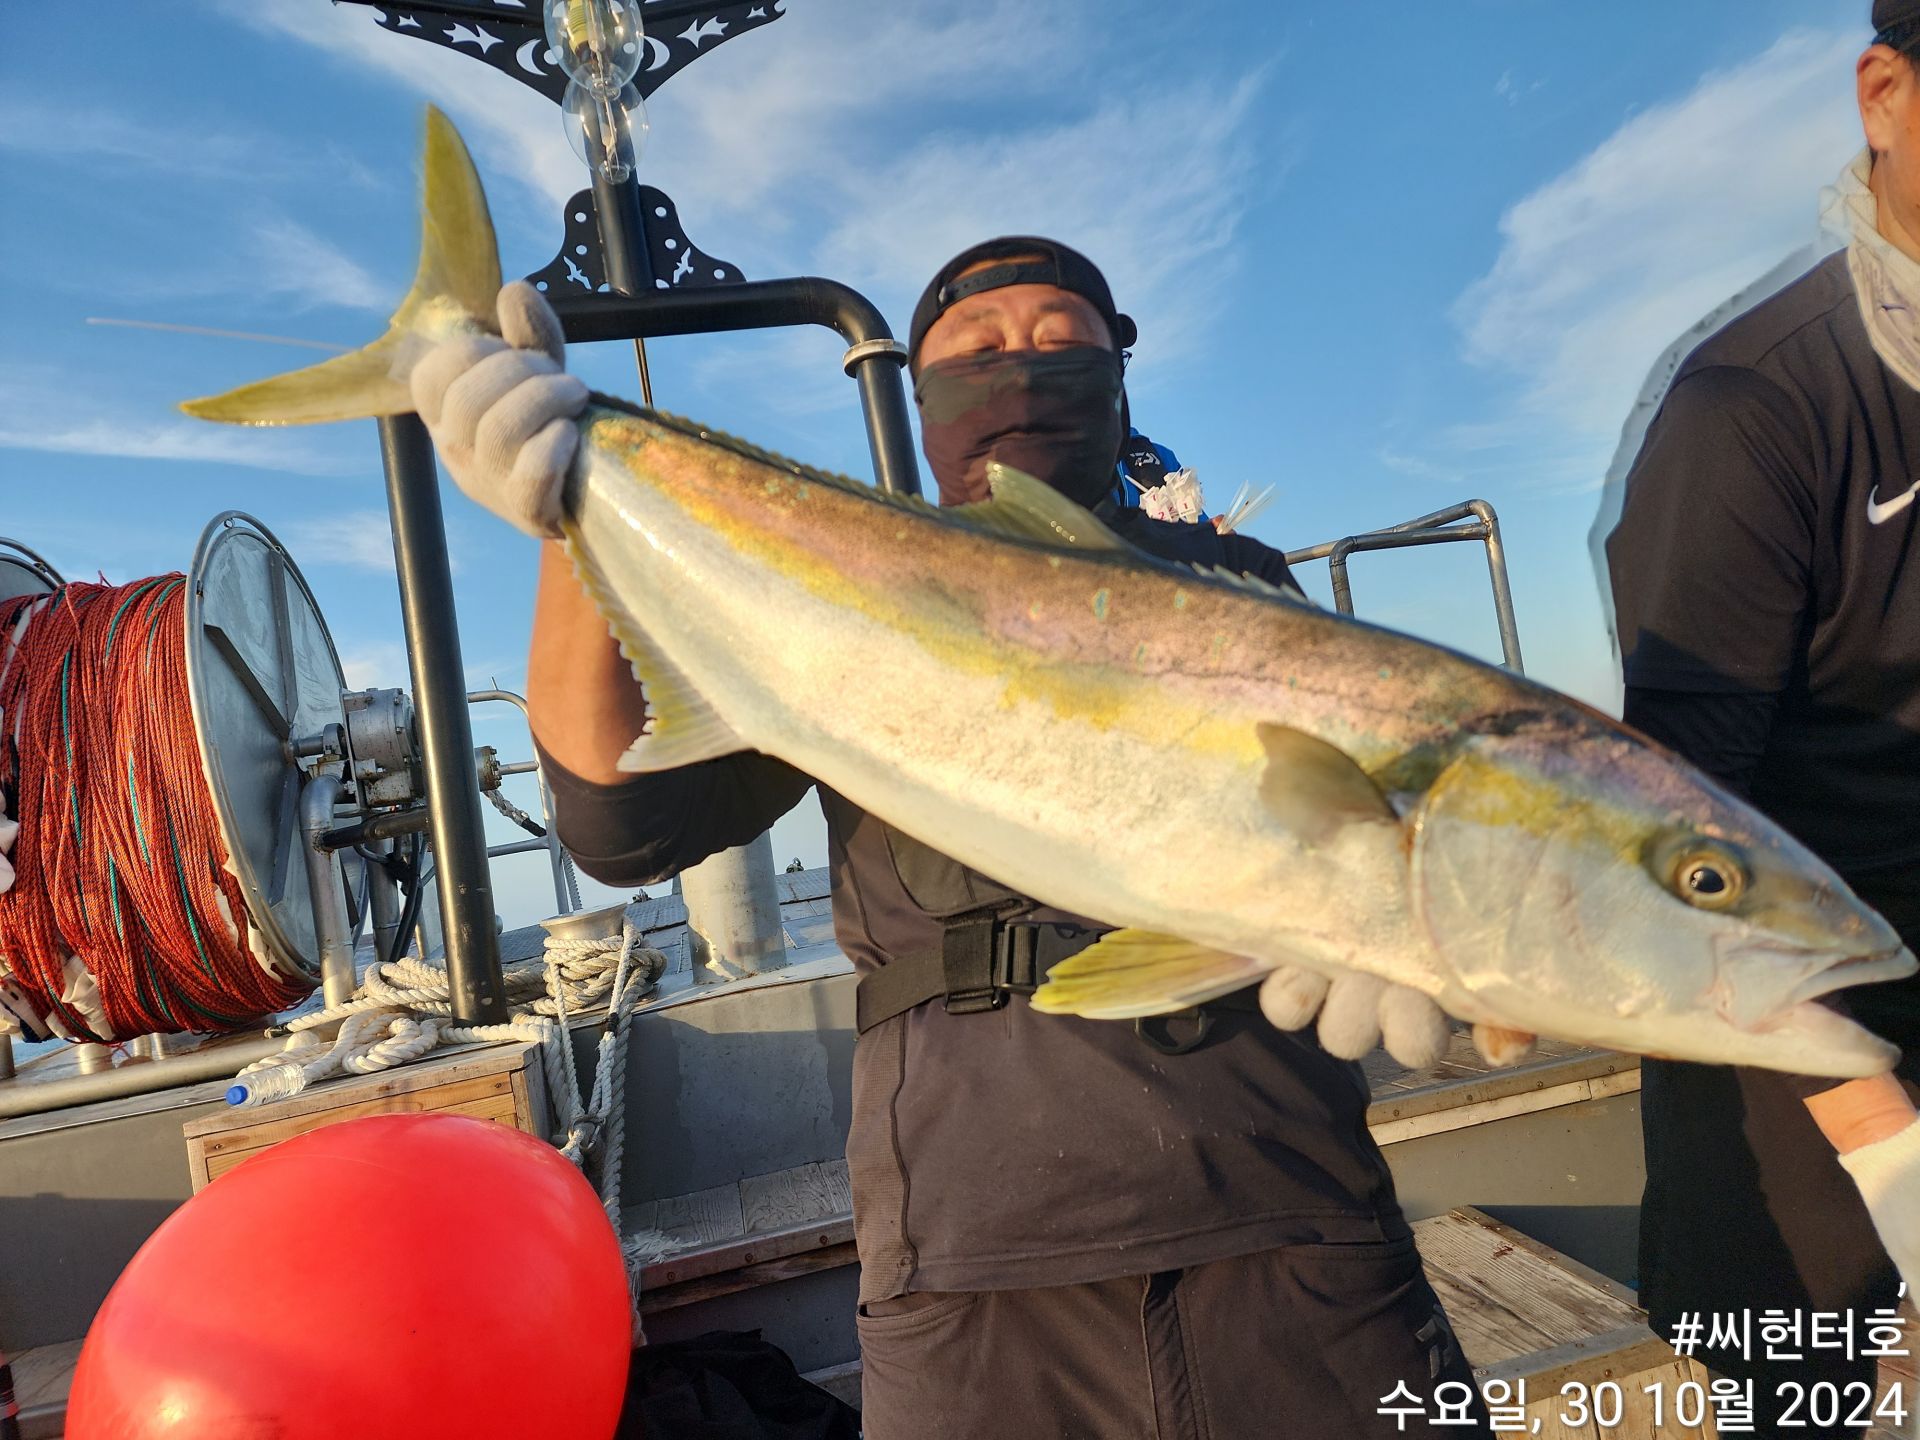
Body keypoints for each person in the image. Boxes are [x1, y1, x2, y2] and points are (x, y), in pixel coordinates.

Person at [410, 235, 1505, 1436]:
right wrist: (569, 513)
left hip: (1286, 1211)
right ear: (923, 397)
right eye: (979, 346)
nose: (1022, 366)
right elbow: (619, 820)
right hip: (970, 1258)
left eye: (1061, 338)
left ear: (1119, 374)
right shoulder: (844, 587)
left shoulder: (1232, 579)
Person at [1604, 6, 1920, 1432]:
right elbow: (1675, 855)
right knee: (1798, 1396)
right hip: (1793, 1027)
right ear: (1885, 95)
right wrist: (1887, 1144)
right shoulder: (1752, 407)